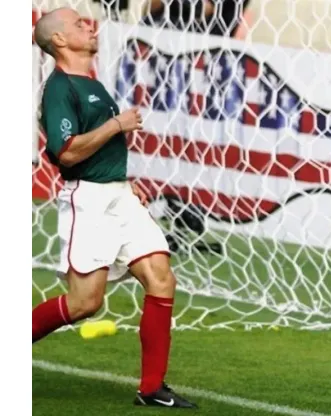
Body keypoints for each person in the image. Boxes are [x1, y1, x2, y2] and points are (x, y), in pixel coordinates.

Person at [32, 7, 197, 408]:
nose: (89, 27)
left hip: (118, 196)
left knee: (162, 278)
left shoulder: (92, 83)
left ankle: (152, 388)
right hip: (87, 200)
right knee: (86, 303)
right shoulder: (59, 89)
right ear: (58, 40)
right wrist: (116, 125)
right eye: (77, 24)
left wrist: (125, 182)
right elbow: (66, 153)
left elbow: (99, 149)